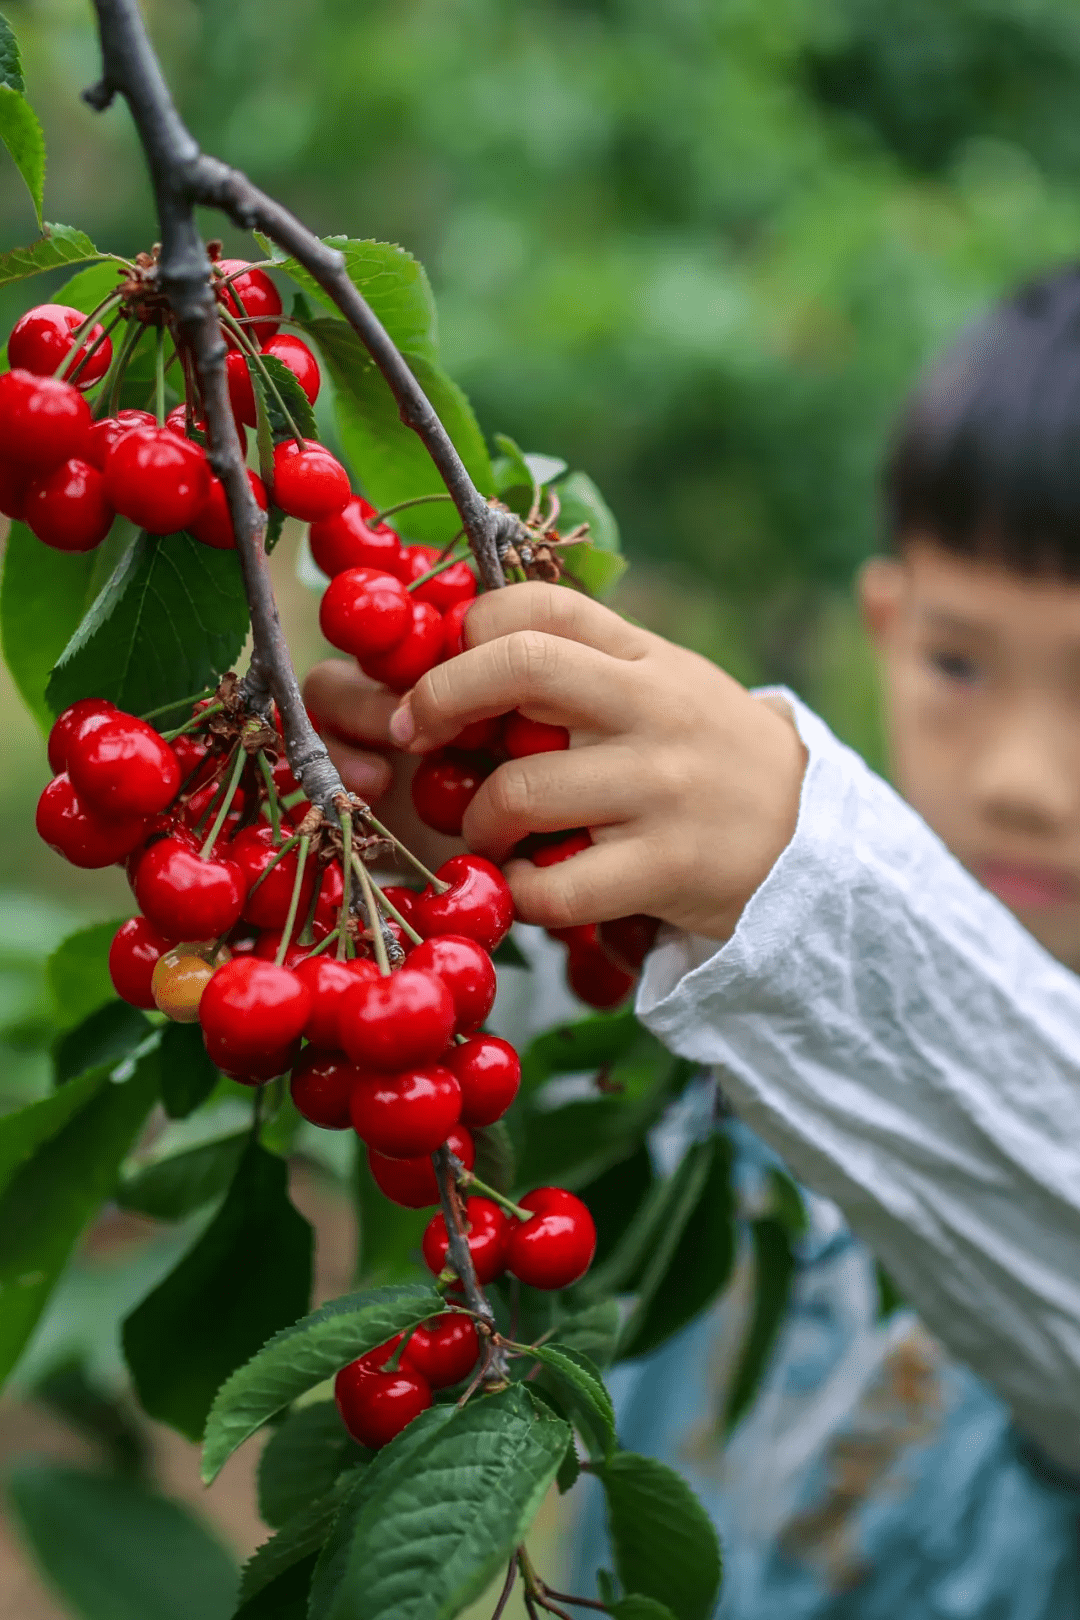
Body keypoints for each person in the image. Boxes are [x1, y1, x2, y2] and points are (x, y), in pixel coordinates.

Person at [304, 264, 1080, 1616]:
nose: (1025, 775)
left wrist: (812, 881)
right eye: (962, 664)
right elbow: (549, 1059)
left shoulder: (803, 905)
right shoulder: (703, 978)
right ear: (885, 627)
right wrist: (439, 878)